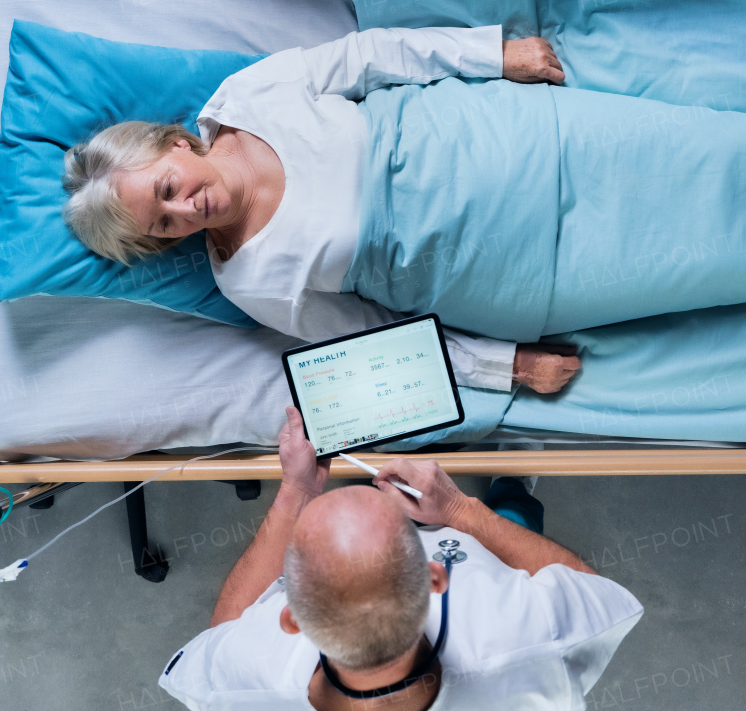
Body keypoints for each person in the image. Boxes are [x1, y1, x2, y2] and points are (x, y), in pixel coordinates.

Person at [64, 27, 580, 397]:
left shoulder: (245, 99)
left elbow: (372, 56)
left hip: (511, 135)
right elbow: (377, 336)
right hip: (518, 269)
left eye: (166, 188)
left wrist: (493, 55)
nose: (184, 209)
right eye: (165, 224)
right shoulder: (248, 281)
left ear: (176, 144)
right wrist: (504, 366)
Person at [158, 407, 643, 710]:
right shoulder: (529, 630)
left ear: (290, 619)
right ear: (436, 577)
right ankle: (510, 485)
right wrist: (458, 511)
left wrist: (296, 491)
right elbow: (588, 587)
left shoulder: (243, 678)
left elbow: (223, 632)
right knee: (510, 518)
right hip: (486, 561)